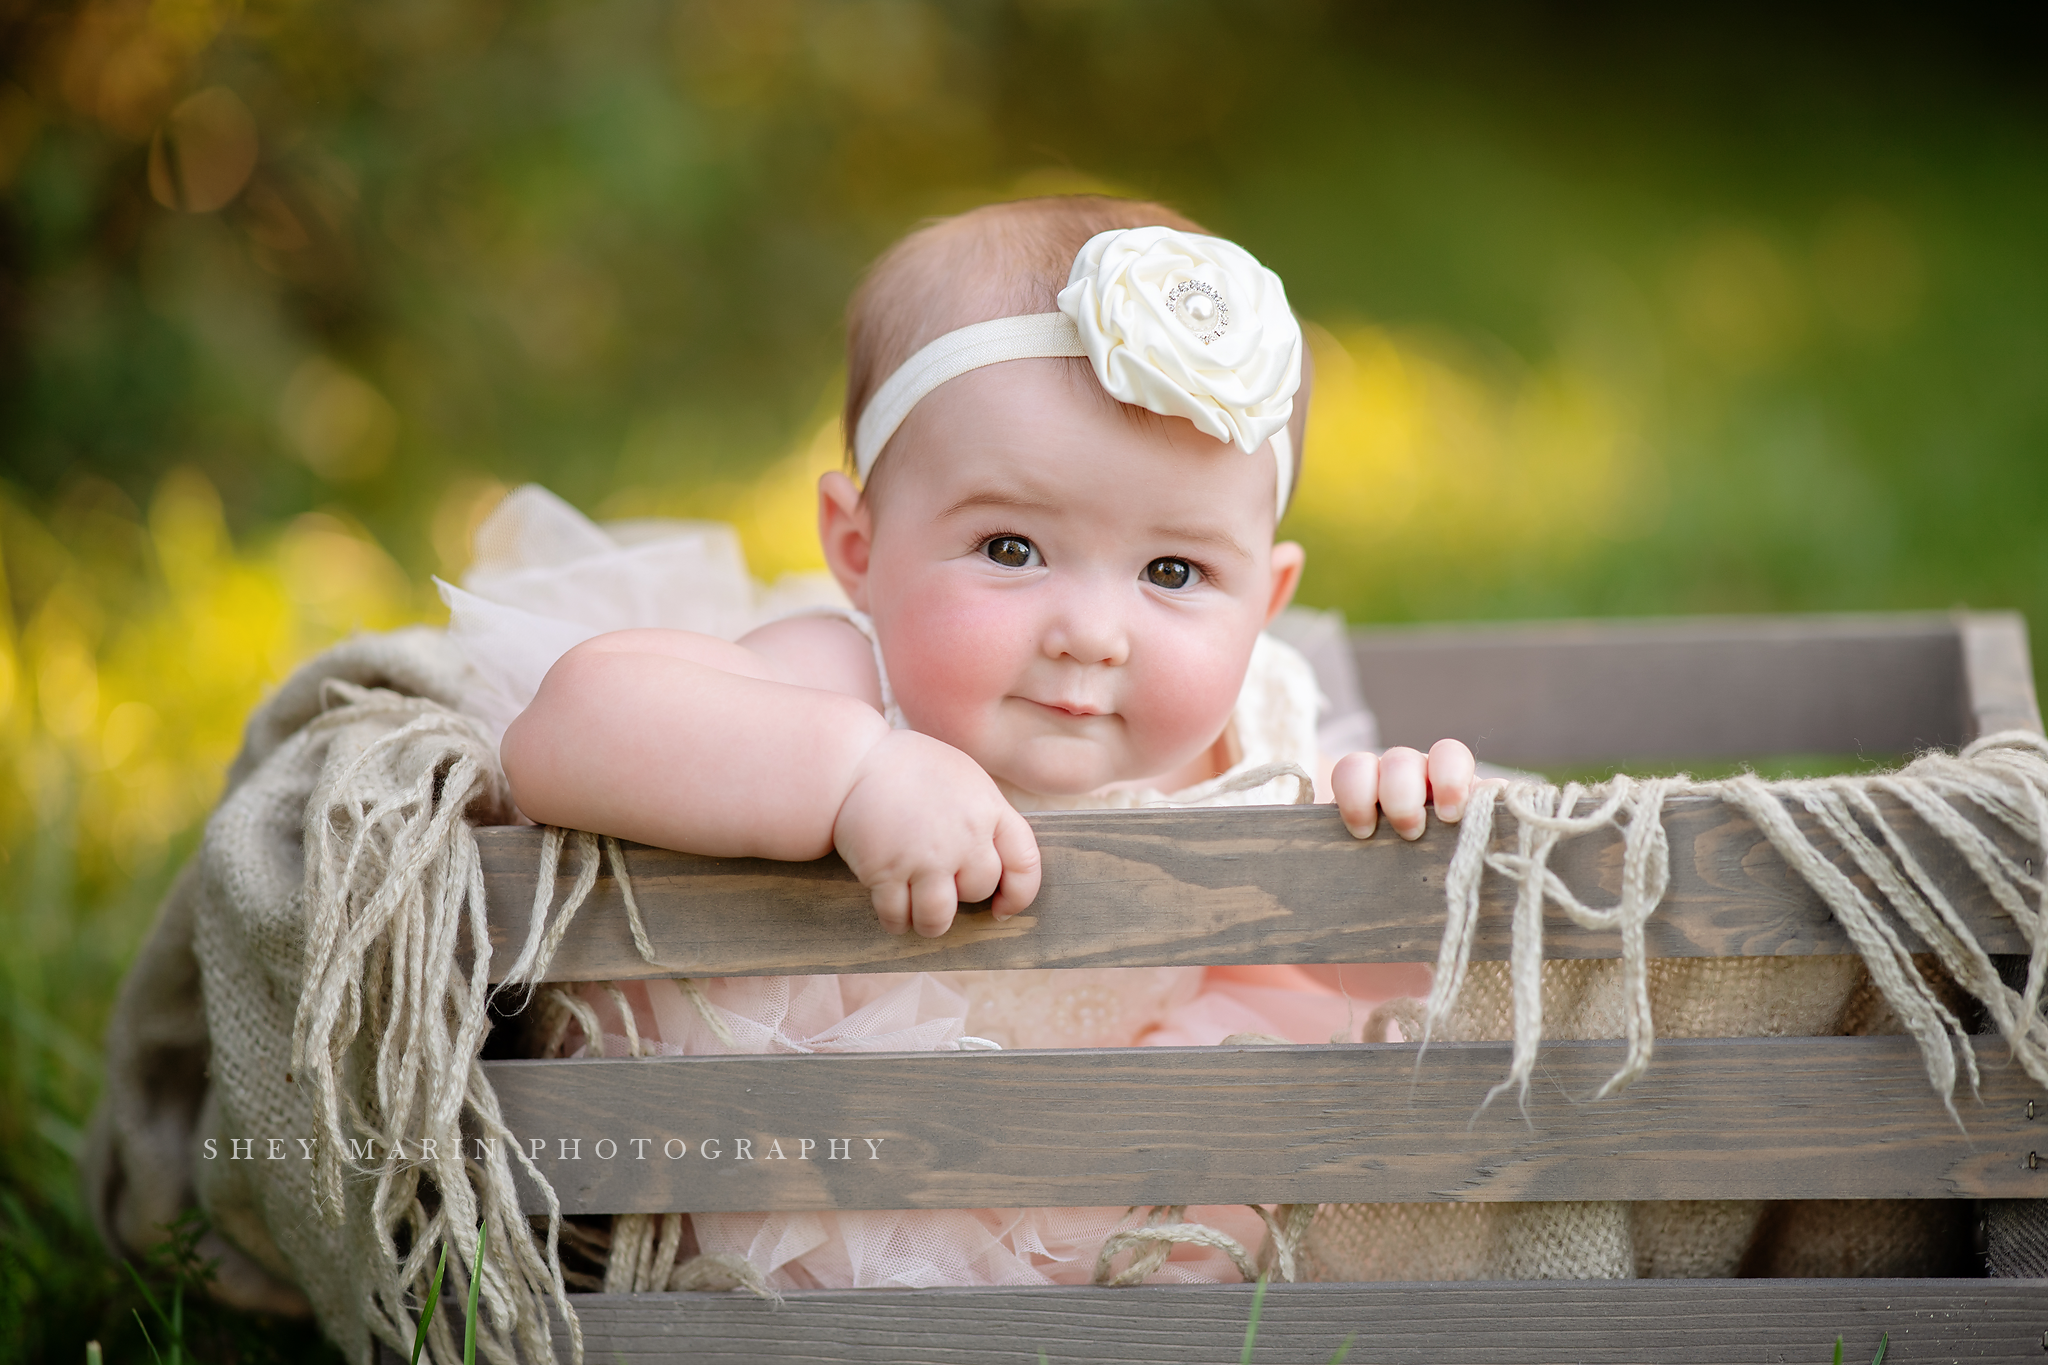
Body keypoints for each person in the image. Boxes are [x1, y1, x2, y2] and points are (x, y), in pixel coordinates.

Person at [469, 195, 1479, 1289]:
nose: (1090, 634)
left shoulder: (1257, 740)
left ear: (1264, 598)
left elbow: (1376, 998)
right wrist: (852, 771)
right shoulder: (850, 680)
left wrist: (1387, 845)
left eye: (1172, 574)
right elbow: (564, 731)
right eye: (1009, 547)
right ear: (857, 547)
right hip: (841, 1172)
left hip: (1113, 1183)